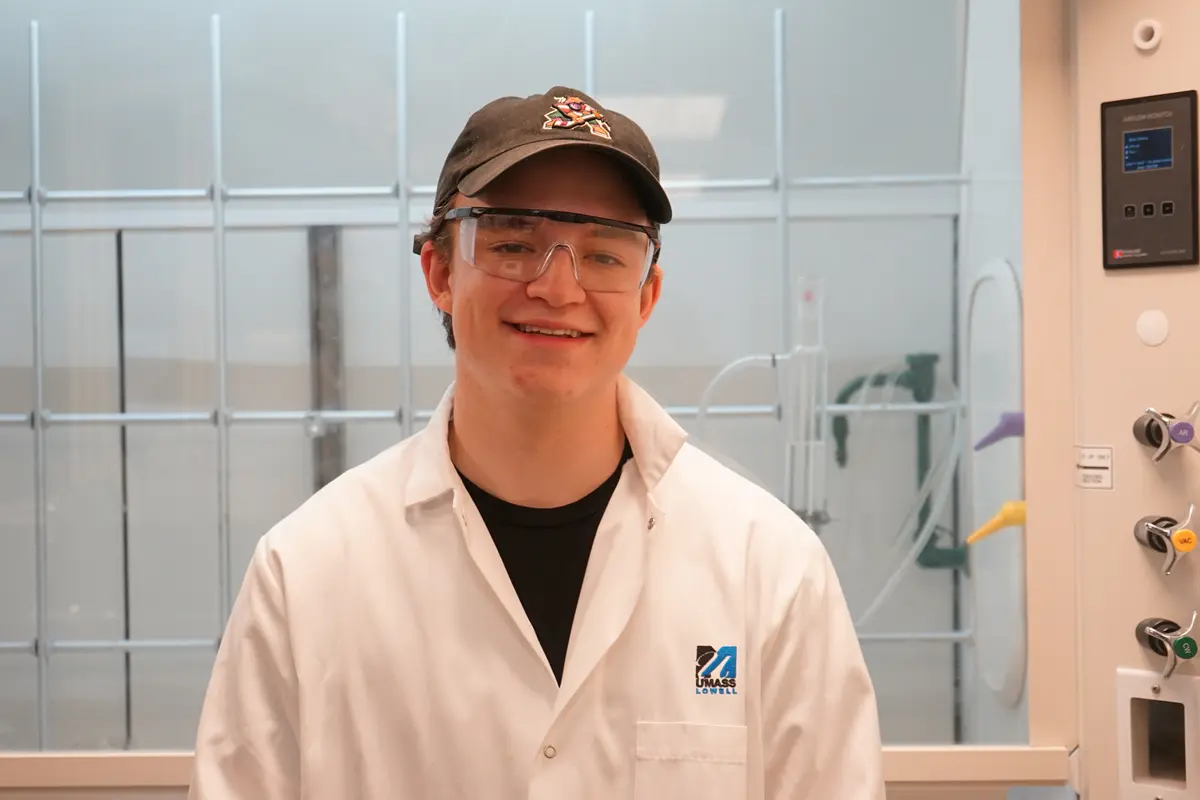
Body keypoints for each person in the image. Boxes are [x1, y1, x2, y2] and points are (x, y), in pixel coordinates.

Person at [188, 86, 885, 799]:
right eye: (514, 243)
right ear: (438, 272)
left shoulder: (766, 568)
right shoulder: (306, 573)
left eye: (606, 254)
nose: (557, 287)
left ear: (646, 297)